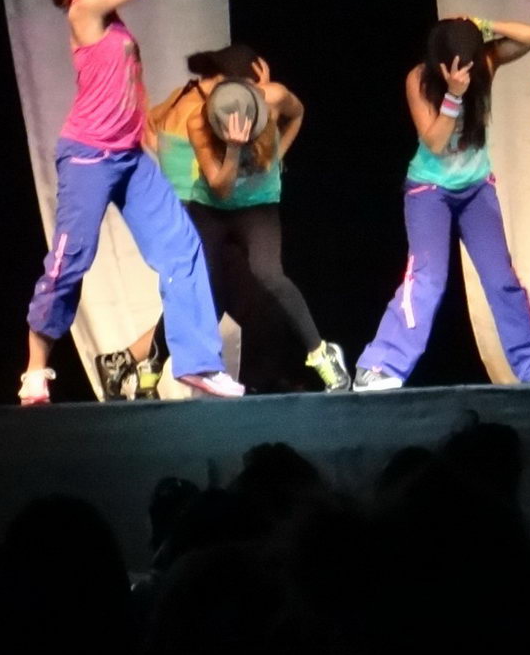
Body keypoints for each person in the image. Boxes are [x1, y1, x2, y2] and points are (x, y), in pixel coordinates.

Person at [18, 0, 241, 405]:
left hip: (128, 158)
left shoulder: (108, 11)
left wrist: (140, 125)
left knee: (182, 248)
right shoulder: (86, 4)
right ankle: (35, 369)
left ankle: (198, 364)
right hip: (89, 158)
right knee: (70, 261)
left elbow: (122, 79)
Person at [96, 45, 347, 396]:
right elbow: (221, 189)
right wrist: (232, 148)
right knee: (200, 290)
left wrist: (277, 155)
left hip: (257, 205)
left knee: (269, 275)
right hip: (210, 205)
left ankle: (321, 353)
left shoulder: (273, 98)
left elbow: (298, 113)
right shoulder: (200, 119)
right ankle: (150, 361)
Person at [351, 16, 530, 390]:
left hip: (476, 188)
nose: (464, 72)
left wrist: (482, 24)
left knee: (501, 279)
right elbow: (435, 142)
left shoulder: (485, 63)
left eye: (469, 63)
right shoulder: (419, 79)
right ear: (438, 62)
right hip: (429, 190)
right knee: (428, 279)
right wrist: (453, 95)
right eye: (455, 66)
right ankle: (380, 366)